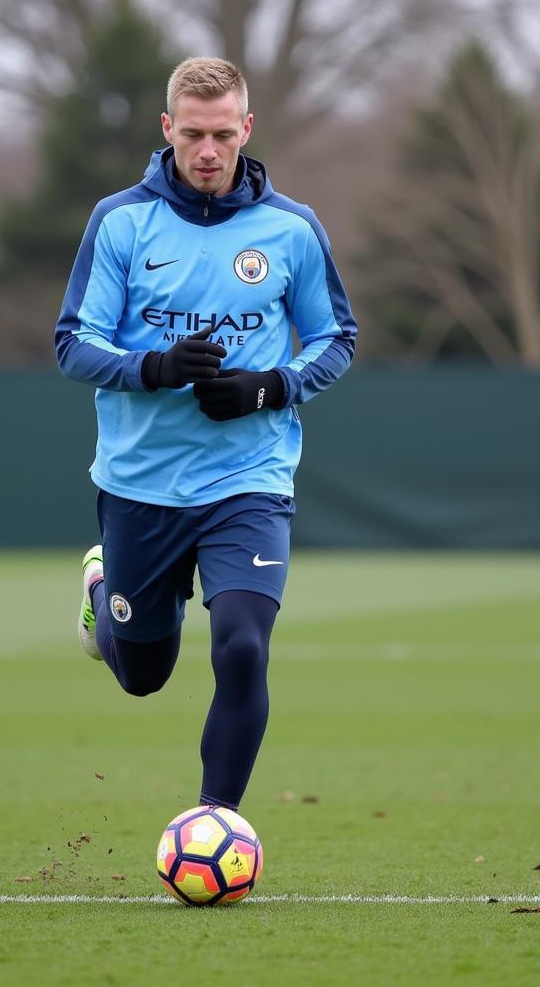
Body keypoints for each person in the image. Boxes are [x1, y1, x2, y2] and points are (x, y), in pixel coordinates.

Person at [55, 56, 356, 812]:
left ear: (247, 128)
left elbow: (337, 339)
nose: (209, 151)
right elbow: (73, 344)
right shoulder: (120, 221)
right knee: (143, 675)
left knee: (245, 648)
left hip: (247, 480)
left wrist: (272, 385)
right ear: (168, 130)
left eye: (223, 134)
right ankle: (102, 587)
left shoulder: (292, 229)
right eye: (193, 135)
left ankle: (215, 824)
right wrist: (153, 366)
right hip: (142, 485)